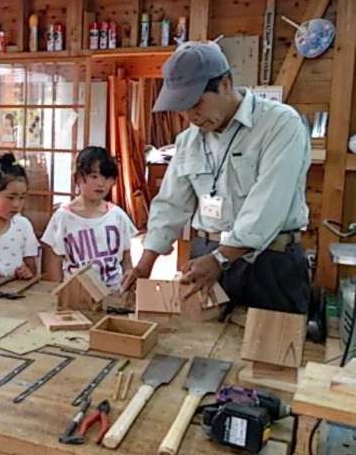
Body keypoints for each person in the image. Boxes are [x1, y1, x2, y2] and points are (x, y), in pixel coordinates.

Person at [123, 41, 310, 314]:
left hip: (270, 261)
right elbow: (171, 205)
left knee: (270, 349)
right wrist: (145, 263)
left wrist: (222, 257)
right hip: (206, 253)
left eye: (196, 104)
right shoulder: (189, 140)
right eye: (182, 108)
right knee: (197, 344)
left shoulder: (280, 125)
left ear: (224, 84)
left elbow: (268, 206)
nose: (190, 116)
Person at [42, 146, 136, 290]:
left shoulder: (118, 216)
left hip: (114, 293)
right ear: (78, 178)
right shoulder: (63, 217)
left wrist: (129, 285)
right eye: (94, 176)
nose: (101, 183)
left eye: (107, 177)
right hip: (76, 295)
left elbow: (126, 259)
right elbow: (53, 263)